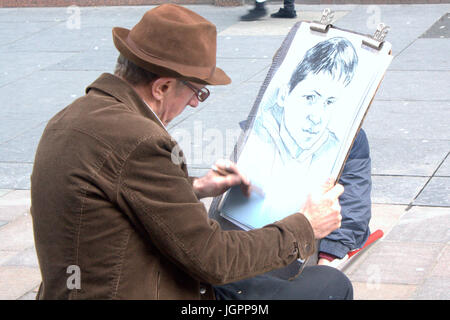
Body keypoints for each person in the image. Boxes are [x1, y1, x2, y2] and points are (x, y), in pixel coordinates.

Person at [30, 4, 352, 300]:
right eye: (196, 91)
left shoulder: (72, 117)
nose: (195, 102)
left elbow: (113, 193)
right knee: (329, 286)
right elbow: (213, 259)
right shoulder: (140, 140)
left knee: (267, 269)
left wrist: (193, 188)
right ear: (162, 87)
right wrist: (306, 226)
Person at [231, 36, 370, 266]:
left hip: (314, 245)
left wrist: (329, 256)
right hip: (257, 243)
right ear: (284, 94)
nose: (316, 116)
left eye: (329, 102)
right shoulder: (258, 132)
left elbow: (354, 203)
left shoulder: (348, 141)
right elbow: (234, 207)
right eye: (309, 98)